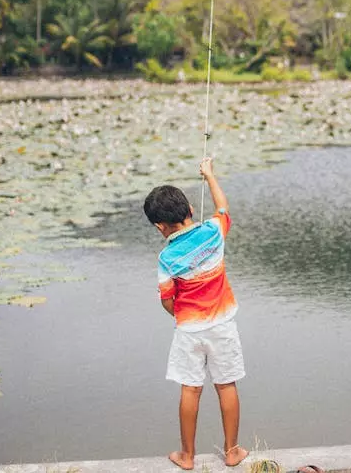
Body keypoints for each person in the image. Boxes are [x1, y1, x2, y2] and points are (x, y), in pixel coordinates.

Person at [145, 158, 247, 470]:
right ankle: (232, 452)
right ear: (190, 209)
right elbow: (223, 206)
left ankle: (187, 456)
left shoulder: (166, 257)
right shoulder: (214, 232)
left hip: (188, 330)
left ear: (159, 227)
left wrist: (183, 313)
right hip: (222, 325)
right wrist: (209, 175)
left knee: (190, 389)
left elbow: (166, 301)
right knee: (226, 384)